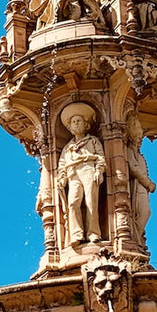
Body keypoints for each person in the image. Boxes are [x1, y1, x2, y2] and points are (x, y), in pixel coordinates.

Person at [56, 103, 106, 245]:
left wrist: (99, 170)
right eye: (73, 122)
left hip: (89, 168)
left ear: (86, 125)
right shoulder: (68, 148)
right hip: (73, 173)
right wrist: (62, 178)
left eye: (79, 121)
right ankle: (76, 234)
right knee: (73, 203)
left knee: (91, 201)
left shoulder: (93, 141)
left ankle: (93, 233)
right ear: (70, 128)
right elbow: (62, 165)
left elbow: (101, 157)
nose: (76, 124)